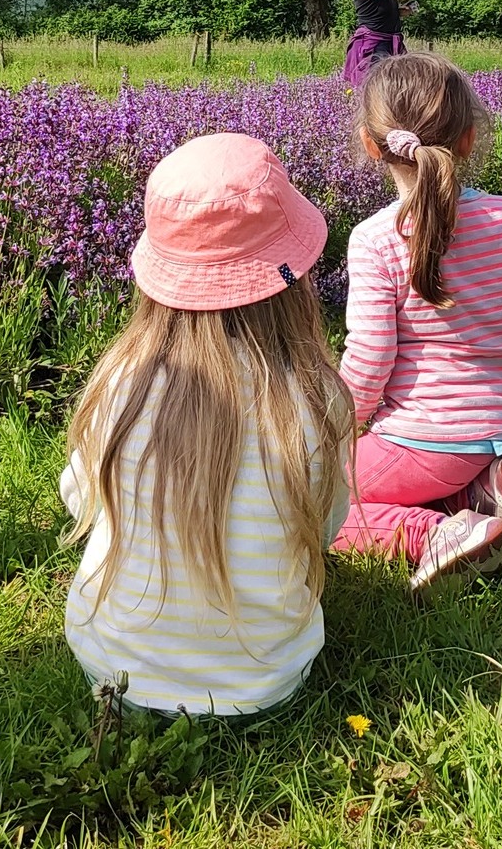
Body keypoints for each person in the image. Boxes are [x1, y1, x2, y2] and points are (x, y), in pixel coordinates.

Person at [61, 133, 353, 716]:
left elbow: (81, 499)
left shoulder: (122, 380)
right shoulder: (317, 398)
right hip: (263, 689)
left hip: (111, 672)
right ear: (290, 283)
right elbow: (321, 529)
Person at [333, 53, 502, 589]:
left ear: (372, 146)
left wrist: (337, 428)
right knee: (428, 474)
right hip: (501, 430)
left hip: (422, 439)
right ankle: (486, 491)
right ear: (469, 139)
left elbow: (371, 359)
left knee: (308, 502)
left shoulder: (375, 239)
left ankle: (438, 535)